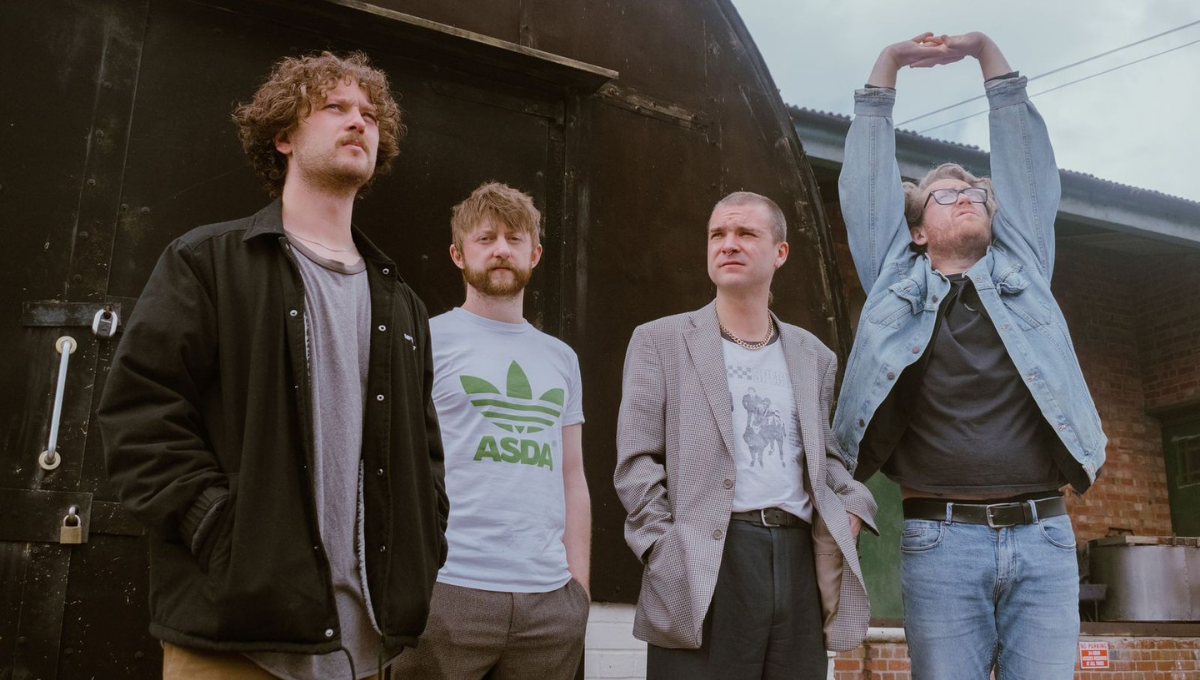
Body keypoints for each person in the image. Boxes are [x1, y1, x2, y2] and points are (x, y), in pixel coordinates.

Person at [98, 51, 448, 680]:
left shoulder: (402, 305)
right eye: (335, 107)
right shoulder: (206, 261)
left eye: (370, 115)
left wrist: (426, 548)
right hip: (235, 640)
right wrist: (216, 527)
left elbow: (426, 456)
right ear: (283, 136)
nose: (359, 122)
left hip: (367, 647)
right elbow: (139, 414)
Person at [834, 32, 1107, 679]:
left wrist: (985, 52)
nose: (966, 196)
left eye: (976, 194)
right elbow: (867, 184)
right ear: (916, 229)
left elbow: (1025, 165)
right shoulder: (894, 281)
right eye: (945, 194)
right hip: (942, 540)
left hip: (1043, 536)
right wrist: (889, 65)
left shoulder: (1024, 269)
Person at [614, 191, 877, 679]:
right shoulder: (660, 340)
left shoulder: (813, 355)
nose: (728, 244)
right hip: (705, 557)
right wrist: (662, 548)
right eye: (717, 234)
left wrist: (855, 505)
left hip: (798, 559)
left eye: (746, 233)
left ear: (780, 252)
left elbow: (825, 458)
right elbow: (636, 461)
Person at [392, 182, 591, 679]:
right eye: (485, 238)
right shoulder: (426, 340)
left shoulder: (562, 358)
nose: (501, 249)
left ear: (535, 254)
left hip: (549, 602)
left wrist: (579, 592)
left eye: (514, 238)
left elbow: (572, 477)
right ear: (458, 255)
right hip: (447, 589)